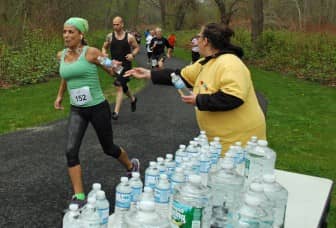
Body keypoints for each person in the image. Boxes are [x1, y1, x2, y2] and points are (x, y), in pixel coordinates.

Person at [125, 23, 266, 155]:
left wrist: (199, 100)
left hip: (240, 144)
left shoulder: (230, 63)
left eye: (198, 37)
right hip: (220, 143)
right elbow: (179, 76)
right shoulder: (206, 63)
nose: (196, 40)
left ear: (205, 41)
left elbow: (233, 97)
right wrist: (149, 73)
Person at [54, 17, 140, 208]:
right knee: (70, 151)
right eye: (65, 31)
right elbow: (65, 76)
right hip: (77, 109)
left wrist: (119, 71)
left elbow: (111, 66)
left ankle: (130, 166)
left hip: (97, 108)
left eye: (71, 32)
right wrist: (60, 96)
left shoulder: (91, 52)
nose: (66, 35)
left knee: (108, 148)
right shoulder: (62, 55)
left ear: (81, 34)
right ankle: (79, 196)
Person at [102, 16, 140, 120]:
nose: (115, 26)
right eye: (113, 24)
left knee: (118, 84)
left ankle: (116, 112)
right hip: (115, 66)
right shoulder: (110, 36)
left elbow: (137, 48)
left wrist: (133, 55)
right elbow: (104, 47)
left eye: (117, 24)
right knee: (123, 85)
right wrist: (104, 53)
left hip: (126, 66)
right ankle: (133, 99)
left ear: (122, 24)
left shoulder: (130, 37)